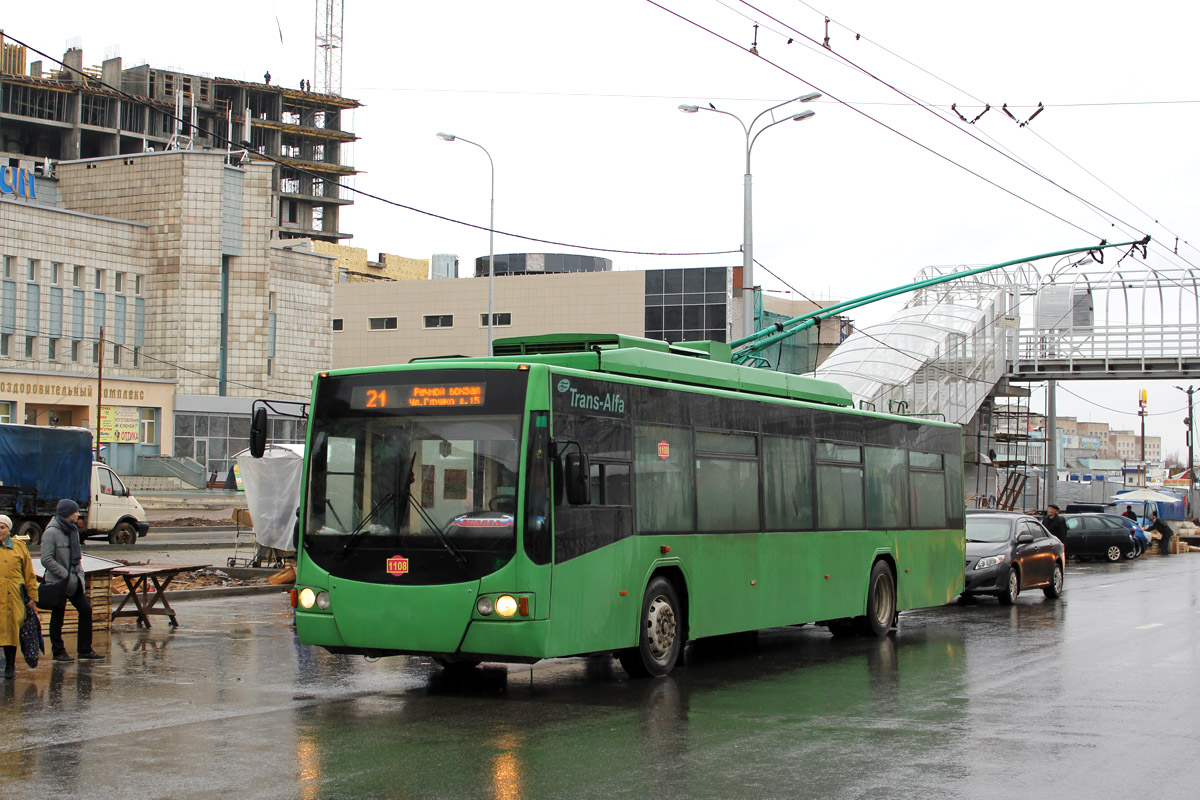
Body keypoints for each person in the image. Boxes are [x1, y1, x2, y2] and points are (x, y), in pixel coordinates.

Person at [40, 499, 103, 662]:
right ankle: (58, 651)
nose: (78, 514)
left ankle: (85, 650)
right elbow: (46, 559)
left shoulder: (73, 530)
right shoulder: (51, 532)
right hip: (58, 583)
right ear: (67, 513)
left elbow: (77, 557)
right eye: (75, 511)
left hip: (74, 582)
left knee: (86, 610)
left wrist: (79, 575)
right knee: (58, 616)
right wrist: (64, 574)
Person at [0, 514, 38, 679]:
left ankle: (10, 665)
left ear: (8, 530)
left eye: (2, 527)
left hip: (15, 597)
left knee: (12, 631)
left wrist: (32, 597)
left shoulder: (19, 547)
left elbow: (29, 574)